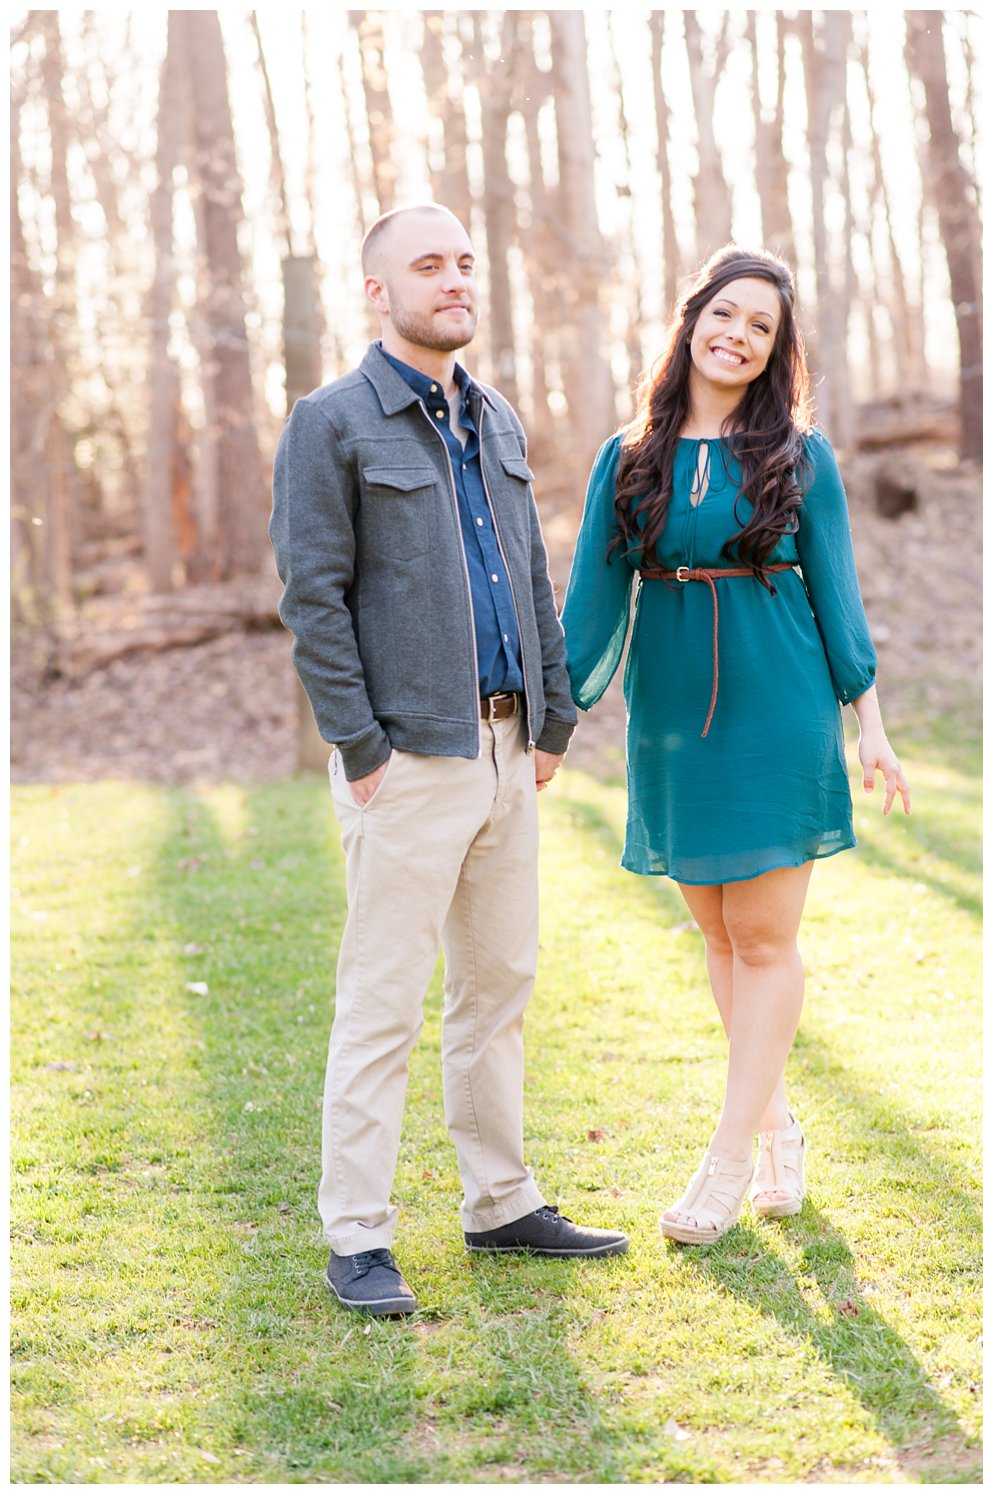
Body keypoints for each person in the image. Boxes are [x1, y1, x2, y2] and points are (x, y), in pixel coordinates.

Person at [269, 203, 628, 1316]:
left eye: (464, 262)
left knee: (498, 986)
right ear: (377, 292)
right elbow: (311, 599)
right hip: (408, 758)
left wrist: (553, 720)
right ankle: (358, 1237)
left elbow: (528, 573)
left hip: (509, 749)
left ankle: (499, 1201)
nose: (454, 280)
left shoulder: (498, 420)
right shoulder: (332, 424)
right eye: (429, 265)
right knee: (382, 1000)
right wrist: (359, 746)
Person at [561, 245, 910, 1246]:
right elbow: (591, 600)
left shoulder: (799, 457)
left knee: (763, 940)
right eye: (725, 314)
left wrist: (870, 724)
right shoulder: (625, 456)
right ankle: (779, 1129)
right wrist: (555, 717)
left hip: (776, 702)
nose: (738, 335)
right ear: (692, 320)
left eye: (760, 327)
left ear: (774, 350)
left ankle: (725, 1165)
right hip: (671, 712)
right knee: (716, 936)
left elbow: (836, 595)